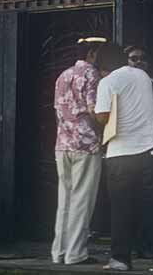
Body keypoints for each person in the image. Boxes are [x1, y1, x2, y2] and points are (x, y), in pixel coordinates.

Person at [94, 44, 153, 272]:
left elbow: (102, 118)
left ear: (102, 67)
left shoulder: (107, 82)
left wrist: (92, 111)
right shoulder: (143, 76)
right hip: (149, 150)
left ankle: (120, 259)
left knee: (121, 209)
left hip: (120, 154)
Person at [51, 36, 106, 266]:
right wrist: (104, 128)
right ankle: (76, 253)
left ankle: (59, 252)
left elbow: (57, 111)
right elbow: (94, 109)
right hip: (86, 143)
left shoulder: (62, 75)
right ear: (92, 53)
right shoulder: (92, 74)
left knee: (65, 200)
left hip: (63, 143)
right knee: (82, 200)